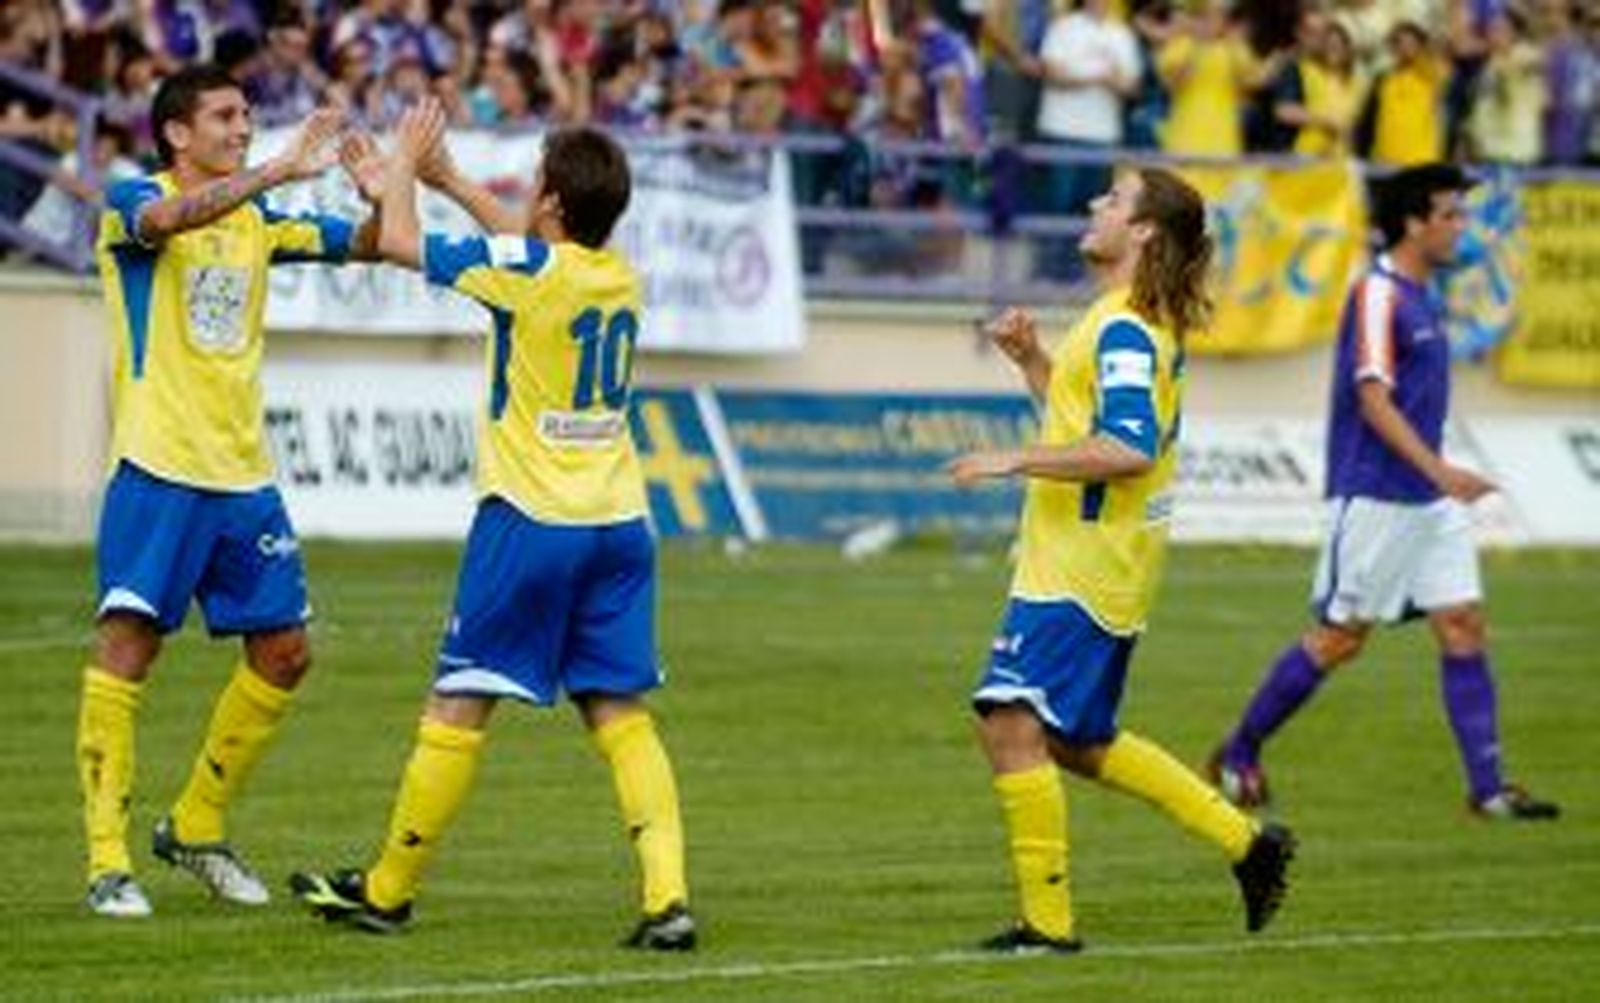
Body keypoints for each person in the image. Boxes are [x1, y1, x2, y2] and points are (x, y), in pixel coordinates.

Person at [289, 100, 696, 951]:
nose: (531, 188)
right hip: (619, 523)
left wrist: (399, 168)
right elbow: (531, 240)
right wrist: (451, 181)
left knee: (459, 697)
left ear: (551, 202)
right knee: (619, 710)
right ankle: (668, 899)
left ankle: (390, 891)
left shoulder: (528, 272)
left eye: (537, 179)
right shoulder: (618, 273)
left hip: (531, 519)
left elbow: (400, 244)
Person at [948, 166, 1295, 953]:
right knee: (1075, 741)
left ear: (1142, 231)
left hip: (1080, 570)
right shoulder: (1122, 319)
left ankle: (1048, 924)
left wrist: (1013, 459)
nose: (1093, 205)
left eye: (1111, 199)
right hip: (1092, 565)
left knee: (1007, 722)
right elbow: (1089, 422)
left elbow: (1127, 448)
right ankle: (1247, 841)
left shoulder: (1126, 328)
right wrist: (1034, 362)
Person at [79, 63, 383, 919]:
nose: (242, 127)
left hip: (244, 472)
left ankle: (197, 824)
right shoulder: (131, 196)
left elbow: (368, 247)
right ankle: (108, 859)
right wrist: (279, 169)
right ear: (177, 132)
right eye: (224, 116)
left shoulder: (264, 212)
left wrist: (384, 192)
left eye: (248, 115)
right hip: (157, 465)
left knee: (286, 652)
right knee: (129, 646)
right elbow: (169, 219)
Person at [1207, 163, 1560, 823]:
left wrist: (1438, 480)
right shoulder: (1378, 294)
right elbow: (1373, 399)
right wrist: (1443, 470)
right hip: (1374, 495)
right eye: (1451, 214)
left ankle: (1488, 789)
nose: (1462, 226)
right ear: (1414, 222)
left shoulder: (1424, 295)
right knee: (1341, 637)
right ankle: (1239, 751)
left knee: (1461, 623)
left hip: (1428, 498)